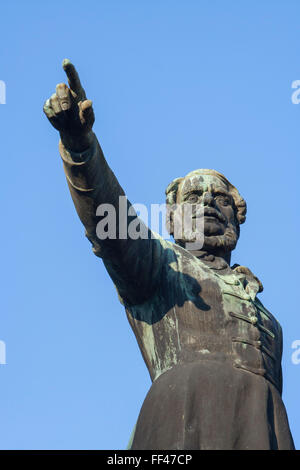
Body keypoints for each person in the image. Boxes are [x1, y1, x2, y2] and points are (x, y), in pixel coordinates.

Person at [43, 60, 295, 450]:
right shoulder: (161, 264)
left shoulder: (271, 323)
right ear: (173, 221)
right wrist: (80, 145)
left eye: (222, 198)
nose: (209, 202)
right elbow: (113, 224)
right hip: (181, 417)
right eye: (194, 197)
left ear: (237, 219)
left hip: (262, 427)